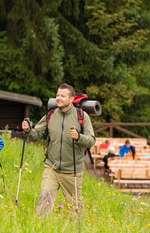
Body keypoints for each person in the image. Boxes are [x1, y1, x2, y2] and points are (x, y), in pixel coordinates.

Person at [22, 83, 95, 218]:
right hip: (52, 167)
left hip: (72, 170)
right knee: (44, 199)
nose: (58, 98)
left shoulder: (82, 116)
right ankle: (40, 231)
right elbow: (37, 134)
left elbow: (91, 140)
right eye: (57, 95)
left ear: (71, 99)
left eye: (62, 96)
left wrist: (79, 137)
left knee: (75, 208)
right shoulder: (51, 114)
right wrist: (29, 130)